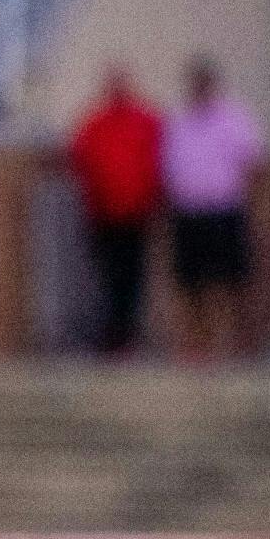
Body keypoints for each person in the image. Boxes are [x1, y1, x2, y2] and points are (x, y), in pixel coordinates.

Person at [163, 57, 264, 362]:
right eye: (195, 83)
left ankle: (239, 342)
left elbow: (252, 164)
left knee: (233, 280)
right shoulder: (179, 122)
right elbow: (169, 168)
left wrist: (250, 205)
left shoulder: (234, 119)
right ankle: (197, 345)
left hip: (224, 209)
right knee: (190, 282)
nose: (199, 89)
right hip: (189, 212)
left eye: (204, 83)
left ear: (213, 85)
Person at [68, 69, 161, 357]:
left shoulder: (145, 120)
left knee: (131, 279)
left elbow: (159, 161)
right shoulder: (96, 122)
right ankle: (109, 335)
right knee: (107, 277)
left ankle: (127, 337)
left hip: (135, 215)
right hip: (102, 214)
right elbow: (78, 156)